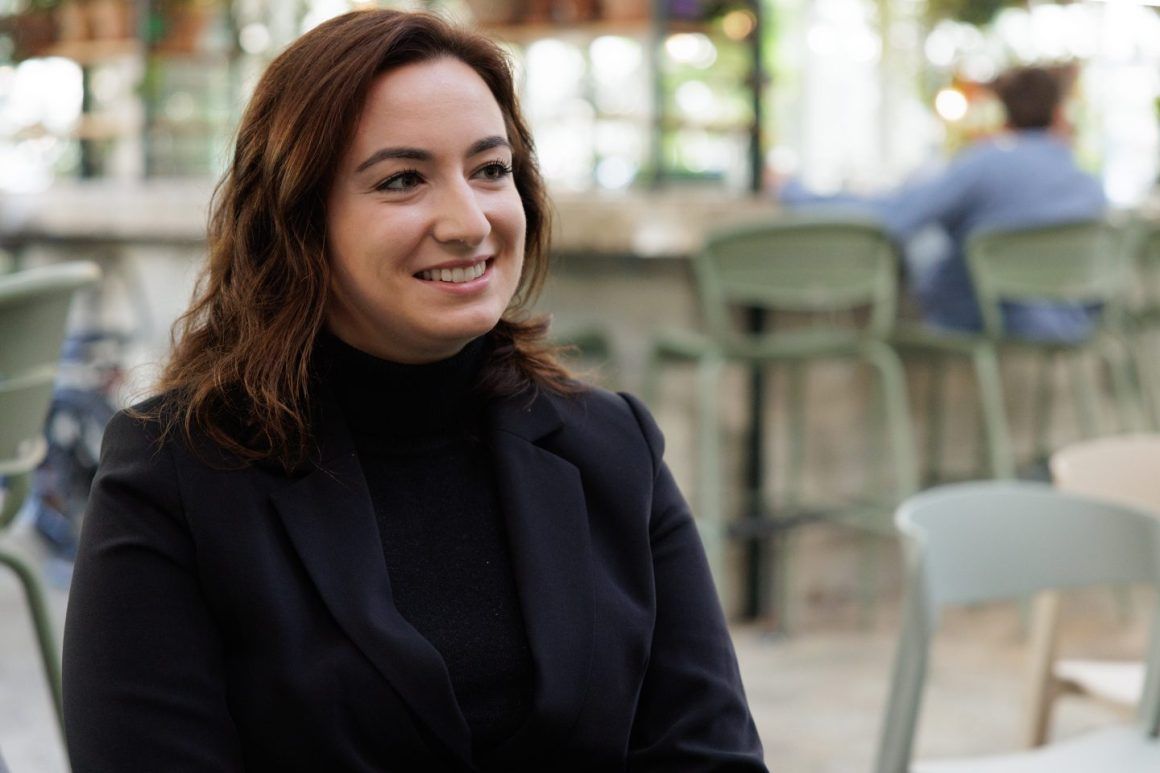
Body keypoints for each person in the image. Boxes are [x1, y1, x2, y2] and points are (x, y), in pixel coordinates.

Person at [61, 9, 766, 772]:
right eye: (402, 180)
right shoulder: (173, 476)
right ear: (299, 221)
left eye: (490, 169)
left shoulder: (612, 445)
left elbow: (710, 755)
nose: (469, 222)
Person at [781, 65, 1107, 341]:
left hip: (982, 318)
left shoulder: (984, 164)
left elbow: (895, 216)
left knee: (923, 210)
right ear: (1058, 114)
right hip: (1071, 323)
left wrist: (797, 194)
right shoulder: (1088, 183)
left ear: (1002, 113)